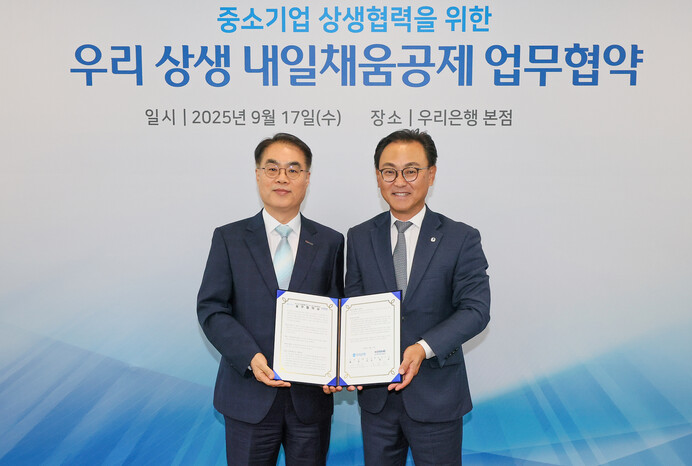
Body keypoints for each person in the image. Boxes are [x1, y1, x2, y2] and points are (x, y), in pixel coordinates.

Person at [344, 129, 491, 465]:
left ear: (431, 174)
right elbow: (353, 308)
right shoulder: (360, 236)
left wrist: (422, 348)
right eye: (389, 171)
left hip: (437, 396)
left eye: (411, 171)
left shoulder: (460, 237)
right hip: (377, 399)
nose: (400, 181)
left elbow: (476, 310)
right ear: (378, 177)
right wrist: (347, 363)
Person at [197, 133, 344, 465]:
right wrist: (250, 357)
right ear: (258, 174)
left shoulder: (330, 242)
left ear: (307, 178)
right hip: (247, 396)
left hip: (309, 400)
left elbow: (337, 312)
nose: (282, 178)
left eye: (293, 169)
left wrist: (337, 366)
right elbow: (212, 308)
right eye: (272, 168)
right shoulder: (229, 238)